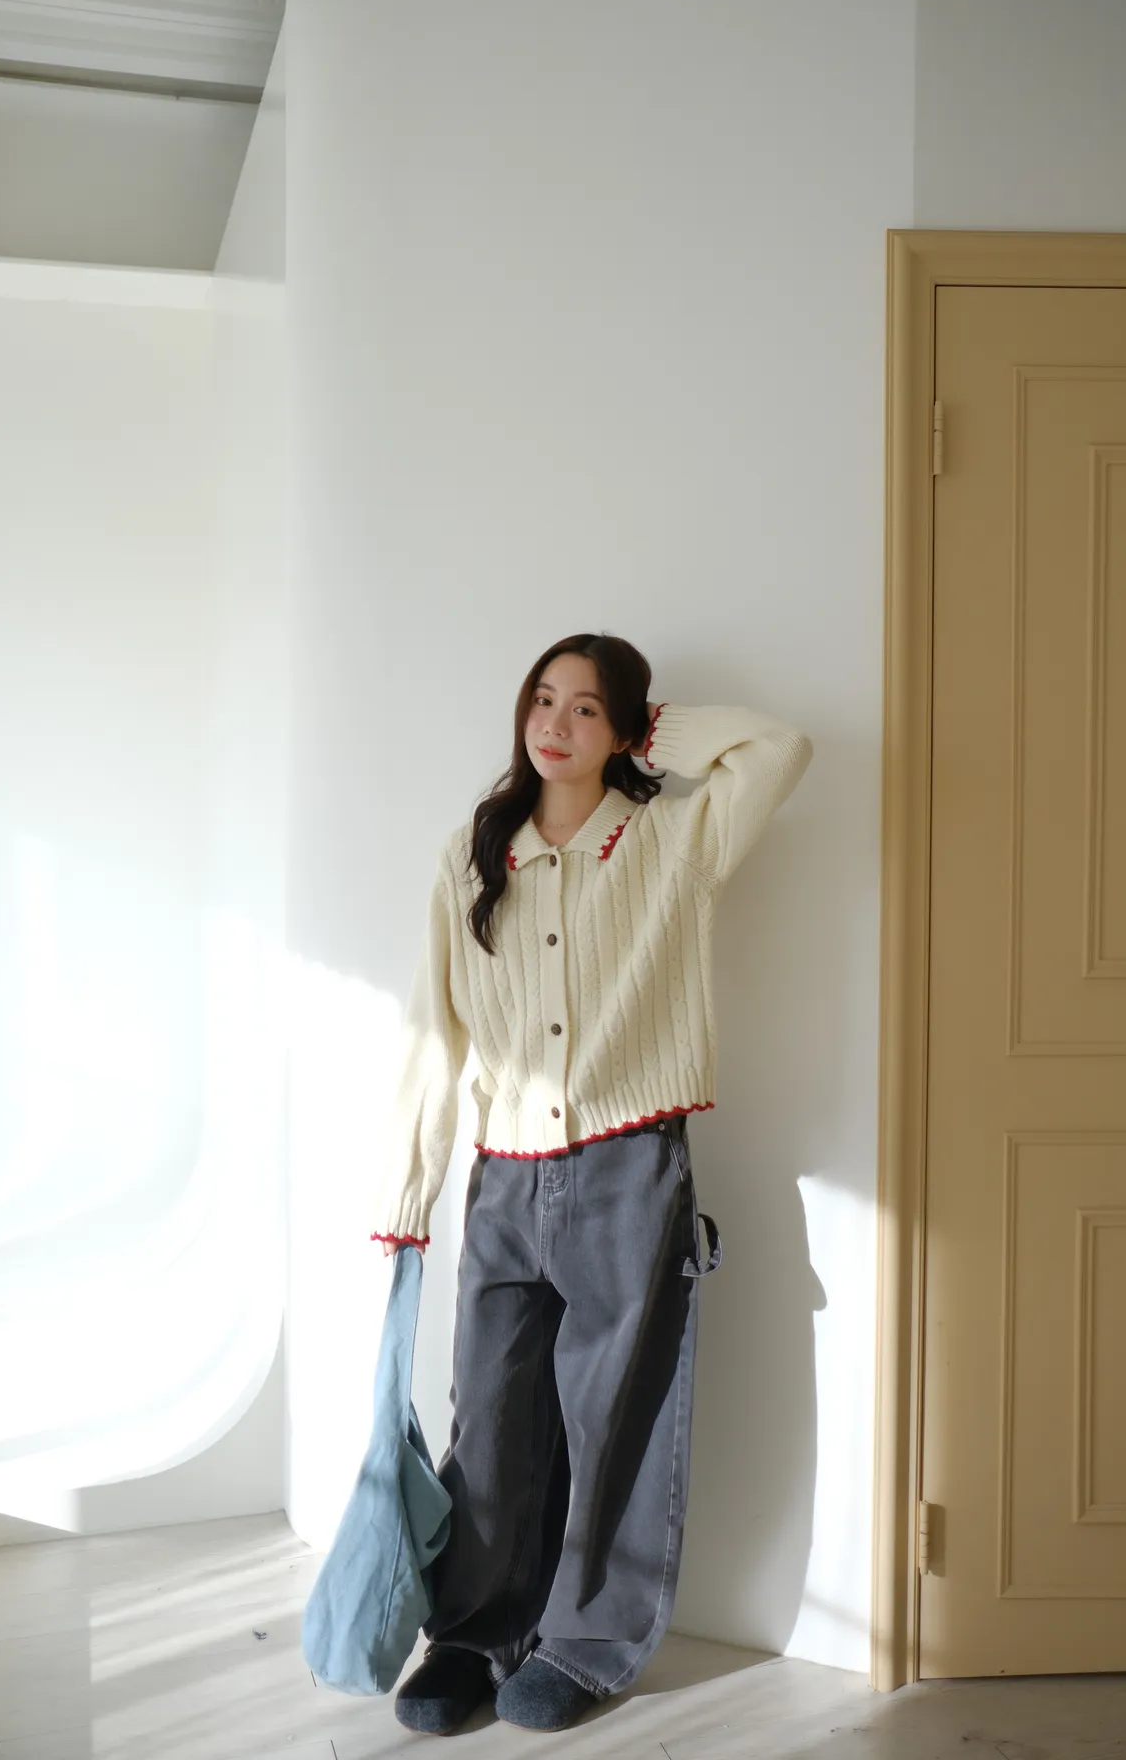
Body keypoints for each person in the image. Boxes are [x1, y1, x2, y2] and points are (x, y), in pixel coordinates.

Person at [369, 632, 812, 1734]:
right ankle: (474, 1632)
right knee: (491, 1416)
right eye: (542, 700)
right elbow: (433, 1029)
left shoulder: (674, 839)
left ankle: (587, 1643)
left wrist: (664, 733)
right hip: (505, 1177)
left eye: (586, 708)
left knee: (616, 1416)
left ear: (625, 730)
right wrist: (409, 1188)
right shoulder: (474, 854)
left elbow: (780, 750)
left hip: (629, 1168)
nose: (555, 725)